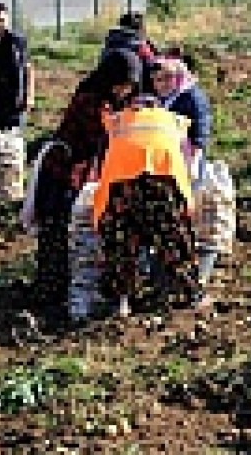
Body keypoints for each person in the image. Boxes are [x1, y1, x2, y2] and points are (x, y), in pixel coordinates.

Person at [30, 50, 142, 316]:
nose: (125, 90)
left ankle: (67, 292)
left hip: (83, 174)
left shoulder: (113, 100)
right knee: (57, 233)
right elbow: (104, 139)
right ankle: (49, 297)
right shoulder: (91, 101)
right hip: (64, 173)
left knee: (77, 236)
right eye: (121, 84)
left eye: (129, 85)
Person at [94, 105, 205, 316]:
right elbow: (186, 159)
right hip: (161, 181)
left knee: (120, 244)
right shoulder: (173, 121)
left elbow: (103, 159)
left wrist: (101, 216)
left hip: (121, 184)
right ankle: (188, 295)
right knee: (173, 242)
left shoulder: (117, 121)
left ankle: (119, 301)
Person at [151, 55, 217, 285]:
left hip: (187, 162)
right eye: (158, 79)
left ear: (179, 76)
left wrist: (191, 162)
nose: (163, 84)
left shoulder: (191, 97)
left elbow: (200, 133)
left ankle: (186, 269)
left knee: (186, 213)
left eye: (168, 78)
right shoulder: (164, 99)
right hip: (167, 164)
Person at [0, 2, 34, 133]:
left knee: (14, 137)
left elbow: (28, 68)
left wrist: (29, 96)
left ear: (7, 20)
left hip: (15, 100)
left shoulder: (17, 41)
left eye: (1, 20)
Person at [102, 12, 159, 93]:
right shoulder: (140, 45)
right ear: (140, 28)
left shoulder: (109, 43)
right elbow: (153, 66)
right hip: (137, 92)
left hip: (109, 89)